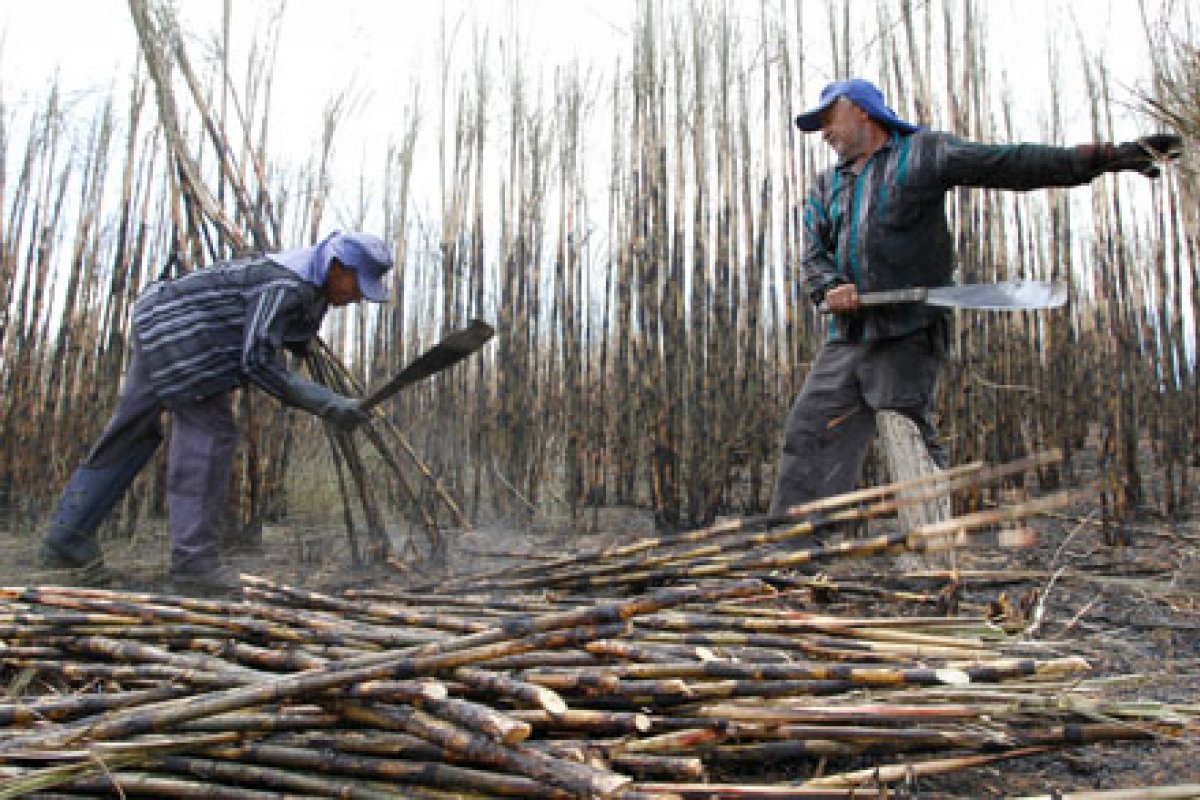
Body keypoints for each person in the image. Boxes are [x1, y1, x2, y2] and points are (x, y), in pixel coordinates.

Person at [770, 77, 1182, 516]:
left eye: (829, 119)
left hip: (908, 330)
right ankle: (796, 552)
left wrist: (1104, 158)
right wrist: (831, 287)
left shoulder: (922, 155)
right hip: (849, 334)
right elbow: (813, 255)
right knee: (811, 429)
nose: (825, 132)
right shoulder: (825, 187)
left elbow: (1008, 163)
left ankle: (934, 552)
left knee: (905, 432)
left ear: (863, 111)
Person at [38, 231, 393, 592]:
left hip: (157, 321)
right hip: (184, 336)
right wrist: (328, 404)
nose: (358, 297)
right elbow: (258, 363)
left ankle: (67, 538)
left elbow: (284, 333)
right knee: (209, 434)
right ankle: (195, 564)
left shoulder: (309, 282)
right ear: (338, 268)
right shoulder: (285, 283)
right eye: (357, 286)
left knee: (132, 431)